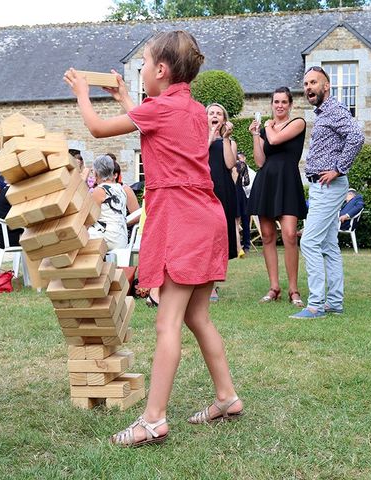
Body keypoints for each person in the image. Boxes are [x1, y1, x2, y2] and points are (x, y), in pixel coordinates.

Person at [64, 29, 242, 447]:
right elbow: (154, 125)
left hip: (181, 218)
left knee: (167, 322)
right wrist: (127, 96)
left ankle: (153, 420)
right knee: (197, 316)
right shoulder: (196, 111)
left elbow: (96, 129)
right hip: (206, 215)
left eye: (143, 64)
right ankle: (226, 397)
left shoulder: (158, 109)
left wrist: (82, 92)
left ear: (161, 70)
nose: (140, 70)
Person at [290, 66, 364, 319]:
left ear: (326, 86)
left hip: (329, 185)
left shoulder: (333, 110)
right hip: (323, 185)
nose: (308, 87)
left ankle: (316, 305)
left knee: (309, 242)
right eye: (306, 83)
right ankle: (334, 302)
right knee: (329, 245)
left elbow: (356, 136)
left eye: (313, 82)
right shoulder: (322, 113)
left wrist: (338, 168)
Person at [247, 87, 308, 307]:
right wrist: (256, 135)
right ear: (271, 104)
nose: (279, 105)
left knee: (290, 234)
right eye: (276, 102)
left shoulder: (297, 123)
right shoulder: (266, 129)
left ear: (290, 104)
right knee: (267, 235)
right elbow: (260, 160)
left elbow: (274, 140)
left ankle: (294, 289)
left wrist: (265, 126)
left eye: (284, 102)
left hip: (288, 181)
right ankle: (274, 287)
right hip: (267, 181)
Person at [207, 103, 238, 301]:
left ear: (224, 119)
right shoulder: (199, 138)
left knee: (219, 237)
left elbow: (229, 164)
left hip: (223, 190)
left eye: (219, 113)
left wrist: (225, 138)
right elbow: (200, 153)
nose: (215, 115)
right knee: (204, 236)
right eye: (211, 113)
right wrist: (211, 133)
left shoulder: (230, 141)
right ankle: (204, 284)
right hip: (203, 190)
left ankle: (213, 285)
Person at [88, 155, 131, 251]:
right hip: (122, 238)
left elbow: (91, 217)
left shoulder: (100, 190)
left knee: (76, 239)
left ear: (97, 173)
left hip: (107, 236)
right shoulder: (121, 188)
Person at [111, 158, 141, 226]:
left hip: (123, 230)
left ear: (115, 175)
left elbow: (137, 215)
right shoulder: (99, 190)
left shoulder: (125, 190)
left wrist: (121, 224)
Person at [233, 152, 250, 257]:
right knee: (241, 222)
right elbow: (247, 181)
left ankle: (237, 248)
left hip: (231, 193)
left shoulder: (226, 164)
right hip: (240, 193)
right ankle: (244, 246)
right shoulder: (242, 165)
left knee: (233, 223)